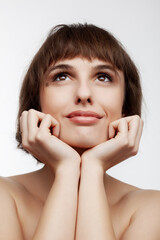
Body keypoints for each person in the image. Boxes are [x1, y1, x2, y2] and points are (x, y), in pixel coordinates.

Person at [0, 23, 160, 240]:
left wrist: (92, 169)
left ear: (126, 106)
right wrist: (67, 169)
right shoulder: (5, 197)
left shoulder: (151, 209)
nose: (84, 94)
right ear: (36, 103)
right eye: (62, 76)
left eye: (103, 77)